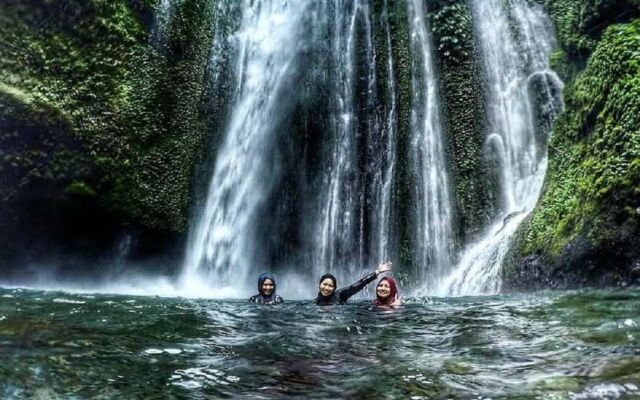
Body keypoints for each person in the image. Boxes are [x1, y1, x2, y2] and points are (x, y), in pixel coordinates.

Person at [315, 261, 392, 306]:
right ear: (319, 285)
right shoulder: (315, 302)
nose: (327, 288)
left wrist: (377, 272)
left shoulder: (340, 294)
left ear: (334, 288)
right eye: (324, 284)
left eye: (330, 286)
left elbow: (358, 285)